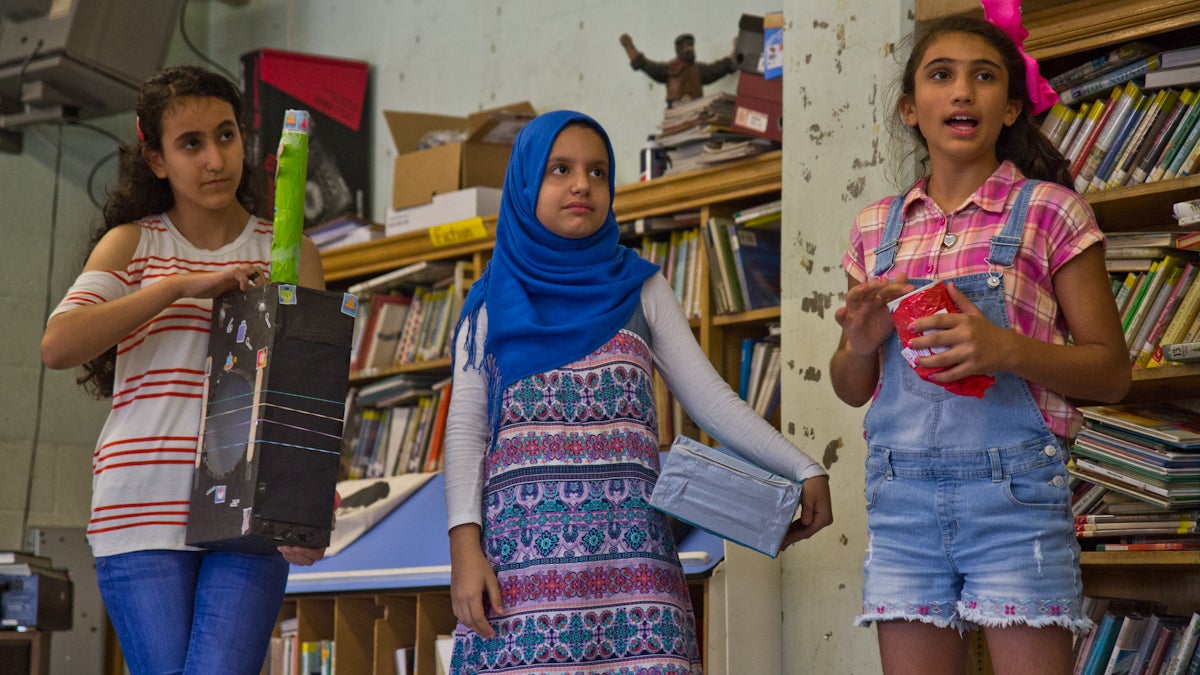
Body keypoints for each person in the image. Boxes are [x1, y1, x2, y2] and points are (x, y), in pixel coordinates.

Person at [443, 109, 832, 673]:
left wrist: (804, 467)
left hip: (636, 578)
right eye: (560, 169)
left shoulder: (641, 286)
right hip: (520, 578)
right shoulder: (486, 304)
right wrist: (464, 549)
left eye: (598, 172)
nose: (582, 184)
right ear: (525, 183)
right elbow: (465, 431)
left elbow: (709, 399)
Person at [828, 11, 1131, 675]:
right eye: (942, 75)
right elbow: (853, 387)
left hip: (1015, 504)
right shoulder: (876, 227)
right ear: (911, 108)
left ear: (1011, 106)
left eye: (984, 77)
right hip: (900, 503)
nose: (963, 91)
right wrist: (858, 342)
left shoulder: (1051, 211)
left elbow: (1112, 373)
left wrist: (1003, 349)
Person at [40, 65, 328, 675]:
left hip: (249, 513)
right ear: (157, 159)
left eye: (225, 136)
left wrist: (306, 506)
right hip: (140, 510)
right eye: (190, 144)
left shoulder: (290, 252)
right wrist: (180, 288)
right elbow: (58, 344)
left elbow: (307, 392)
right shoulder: (132, 245)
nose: (214, 158)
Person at [620, 32, 736, 106]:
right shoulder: (670, 69)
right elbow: (648, 66)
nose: (689, 49)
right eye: (686, 45)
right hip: (675, 114)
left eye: (691, 45)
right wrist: (630, 48)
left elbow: (716, 70)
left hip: (697, 114)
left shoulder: (698, 69)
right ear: (679, 48)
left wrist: (734, 54)